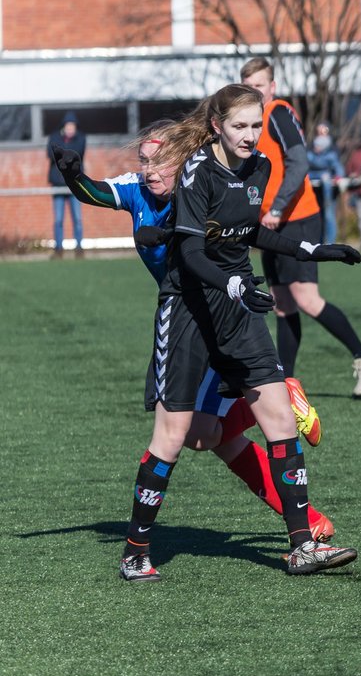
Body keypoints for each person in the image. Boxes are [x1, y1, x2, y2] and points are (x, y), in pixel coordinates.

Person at [115, 83, 361, 580]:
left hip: (238, 306)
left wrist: (313, 251)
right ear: (217, 127)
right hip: (188, 310)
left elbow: (247, 232)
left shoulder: (260, 167)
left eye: (256, 125)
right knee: (176, 434)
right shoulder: (195, 171)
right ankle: (135, 551)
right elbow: (189, 253)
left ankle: (301, 547)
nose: (250, 136)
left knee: (279, 420)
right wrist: (234, 285)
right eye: (240, 126)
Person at [51, 121, 337, 543]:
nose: (149, 170)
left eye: (160, 161)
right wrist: (74, 175)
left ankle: (299, 504)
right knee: (208, 437)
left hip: (220, 314)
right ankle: (307, 516)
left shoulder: (199, 185)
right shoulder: (137, 189)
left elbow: (244, 232)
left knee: (198, 435)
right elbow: (94, 192)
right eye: (144, 160)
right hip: (186, 316)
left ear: (182, 160)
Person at [241, 57, 361, 397]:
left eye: (259, 85)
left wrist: (277, 206)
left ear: (272, 87)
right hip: (269, 225)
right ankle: (283, 382)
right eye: (248, 86)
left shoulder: (276, 112)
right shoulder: (247, 123)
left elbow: (299, 161)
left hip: (296, 218)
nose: (254, 92)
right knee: (282, 303)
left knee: (306, 299)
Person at [47, 111, 87, 258]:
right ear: (64, 126)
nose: (71, 129)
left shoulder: (81, 138)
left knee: (77, 219)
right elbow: (50, 155)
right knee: (58, 220)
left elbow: (77, 154)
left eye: (73, 126)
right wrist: (66, 154)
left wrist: (62, 154)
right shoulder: (54, 137)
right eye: (69, 126)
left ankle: (79, 249)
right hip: (58, 184)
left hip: (74, 183)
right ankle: (58, 249)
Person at [307, 121, 345, 245]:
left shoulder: (332, 153)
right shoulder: (310, 154)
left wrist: (337, 177)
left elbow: (338, 169)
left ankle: (330, 242)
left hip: (329, 190)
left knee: (329, 215)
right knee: (316, 216)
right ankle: (317, 241)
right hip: (315, 191)